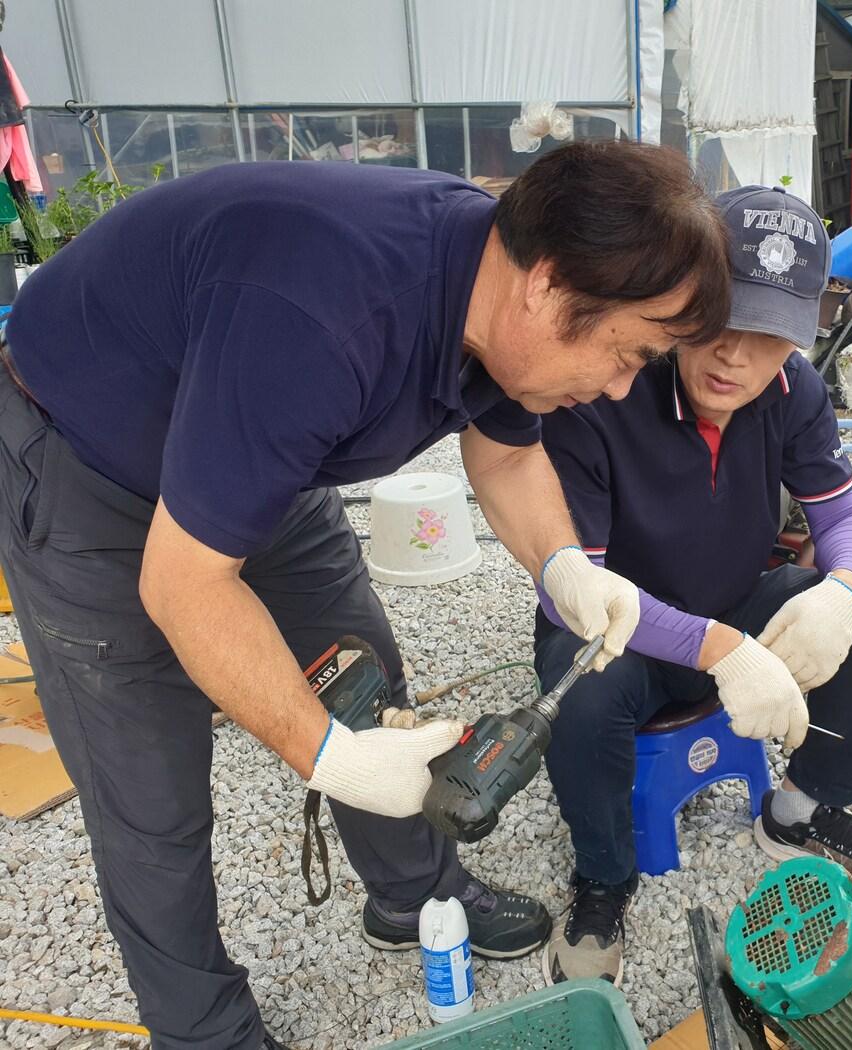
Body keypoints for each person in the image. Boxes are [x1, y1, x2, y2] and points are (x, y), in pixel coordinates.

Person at [0, 141, 731, 1049]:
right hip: (93, 460)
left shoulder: (494, 281)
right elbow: (185, 585)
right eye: (627, 353)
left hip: (266, 440)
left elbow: (505, 449)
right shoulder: (320, 318)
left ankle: (417, 899)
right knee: (149, 791)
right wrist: (327, 756)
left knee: (363, 683)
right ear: (545, 289)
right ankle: (204, 1032)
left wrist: (565, 567)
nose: (621, 386)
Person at [532, 186, 852, 986]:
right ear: (680, 300)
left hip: (734, 609)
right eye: (717, 322)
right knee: (582, 695)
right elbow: (577, 588)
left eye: (771, 335)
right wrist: (719, 648)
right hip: (618, 626)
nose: (735, 357)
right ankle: (604, 878)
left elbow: (845, 517)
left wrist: (843, 589)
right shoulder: (602, 392)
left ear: (804, 333)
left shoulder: (794, 392)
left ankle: (804, 808)